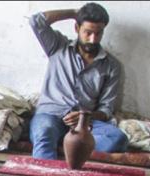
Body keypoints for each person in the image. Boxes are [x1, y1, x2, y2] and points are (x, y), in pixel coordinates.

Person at [28, 4, 128, 161]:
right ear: (77, 28)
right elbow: (36, 21)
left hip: (86, 124)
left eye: (98, 33)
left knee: (117, 139)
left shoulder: (111, 65)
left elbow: (106, 108)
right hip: (51, 116)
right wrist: (75, 13)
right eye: (88, 32)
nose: (93, 39)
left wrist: (84, 117)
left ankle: (71, 145)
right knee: (44, 133)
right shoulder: (58, 46)